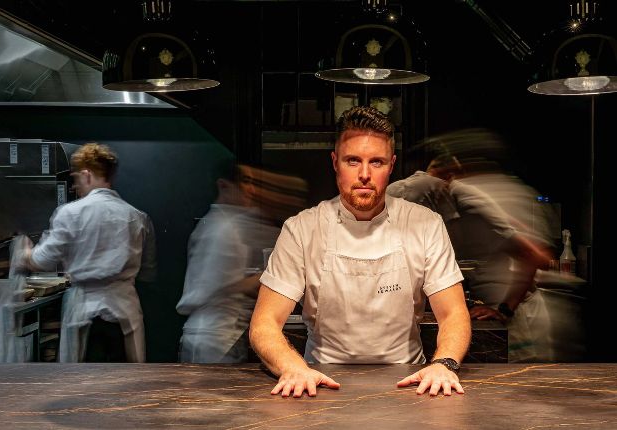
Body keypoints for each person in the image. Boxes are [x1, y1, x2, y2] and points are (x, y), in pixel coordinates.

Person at [249, 106, 471, 398]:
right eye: (353, 161)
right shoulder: (301, 229)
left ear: (391, 165)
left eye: (376, 162)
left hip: (410, 384)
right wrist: (293, 367)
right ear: (335, 162)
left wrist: (443, 364)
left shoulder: (425, 224)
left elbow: (453, 313)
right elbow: (264, 323)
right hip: (318, 383)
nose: (365, 175)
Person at [388, 135, 554, 362]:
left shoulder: (469, 205)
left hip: (515, 318)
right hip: (492, 313)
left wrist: (504, 309)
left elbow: (536, 255)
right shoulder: (423, 193)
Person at [18, 143, 156, 362]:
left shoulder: (70, 213)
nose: (75, 186)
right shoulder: (137, 217)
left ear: (87, 175)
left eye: (76, 179)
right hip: (124, 311)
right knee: (124, 380)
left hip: (84, 312)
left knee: (84, 380)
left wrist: (25, 253)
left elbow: (42, 260)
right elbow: (148, 271)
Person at [176, 161, 281, 363]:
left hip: (214, 334)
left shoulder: (225, 223)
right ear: (224, 186)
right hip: (213, 338)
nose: (252, 190)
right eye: (245, 182)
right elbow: (221, 288)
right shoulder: (223, 228)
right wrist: (265, 276)